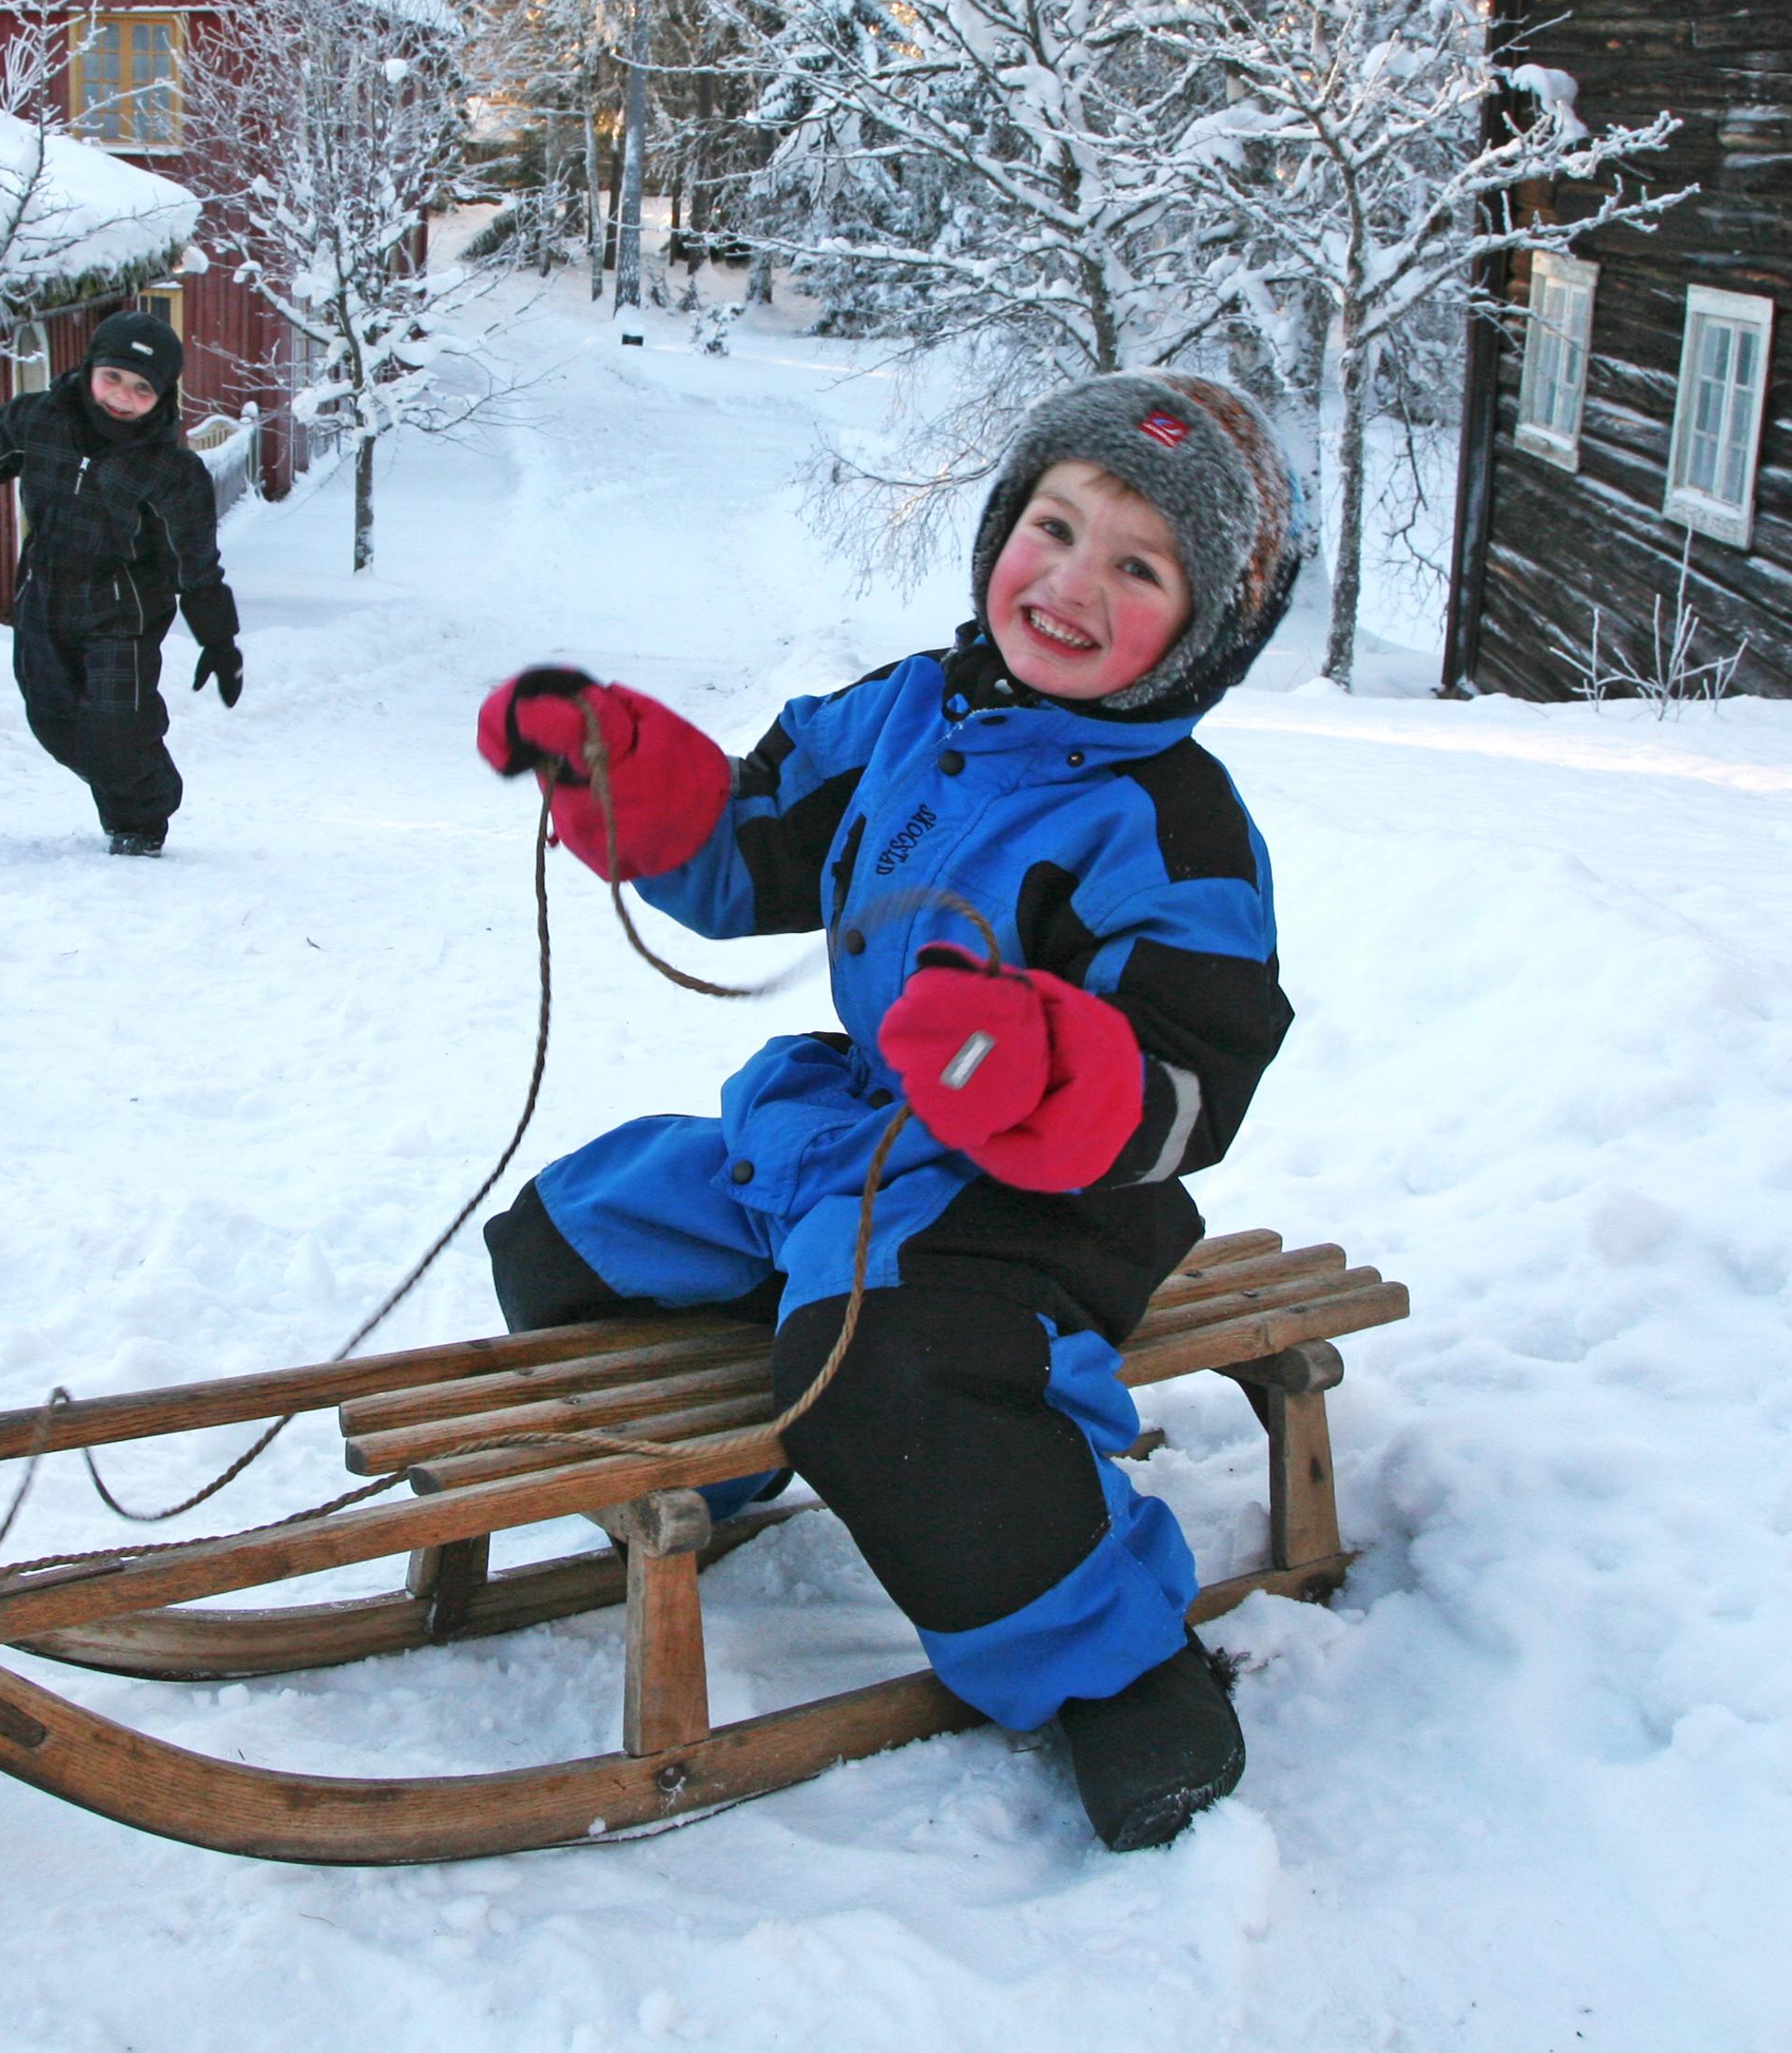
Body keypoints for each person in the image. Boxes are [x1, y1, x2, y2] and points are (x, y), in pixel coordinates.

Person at [473, 372, 1304, 1853]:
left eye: (1137, 564)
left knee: (891, 1374)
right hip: (849, 1129)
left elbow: (1198, 1074)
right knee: (571, 1235)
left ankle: (1112, 1661)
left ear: (1205, 629)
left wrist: (1049, 1067)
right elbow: (753, 843)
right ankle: (739, 1450)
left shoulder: (1168, 820)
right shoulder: (907, 710)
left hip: (1034, 1201)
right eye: (1054, 525)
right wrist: (649, 794)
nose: (1068, 582)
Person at [0, 307, 244, 856]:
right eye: (113, 378)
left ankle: (141, 817)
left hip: (123, 610)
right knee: (54, 721)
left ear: (163, 395)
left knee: (116, 725)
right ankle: (128, 780)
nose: (122, 396)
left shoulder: (171, 471)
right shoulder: (37, 419)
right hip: (43, 595)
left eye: (142, 388)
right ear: (90, 369)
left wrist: (219, 638)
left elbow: (197, 561)